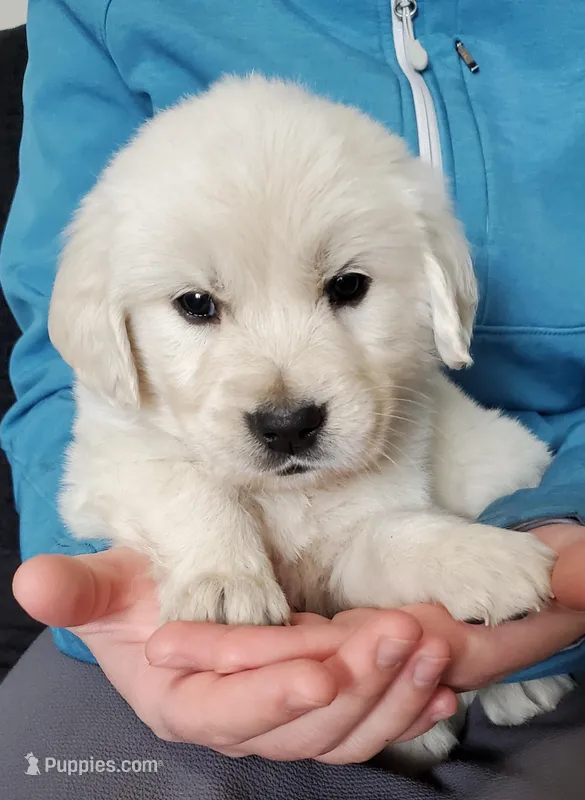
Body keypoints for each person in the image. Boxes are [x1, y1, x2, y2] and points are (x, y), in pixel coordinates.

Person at [1, 0, 585, 797]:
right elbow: (95, 448)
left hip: (538, 518)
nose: (286, 401)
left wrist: (514, 531)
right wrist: (206, 555)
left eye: (345, 286)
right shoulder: (100, 26)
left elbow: (370, 539)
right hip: (162, 634)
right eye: (198, 307)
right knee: (51, 773)